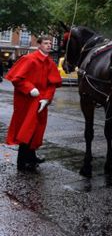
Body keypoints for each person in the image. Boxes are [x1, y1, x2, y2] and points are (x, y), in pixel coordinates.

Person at [5, 35, 62, 172]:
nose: (49, 45)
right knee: (27, 128)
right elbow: (17, 79)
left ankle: (31, 156)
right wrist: (30, 89)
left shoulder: (49, 63)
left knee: (37, 129)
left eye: (50, 43)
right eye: (46, 43)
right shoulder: (28, 59)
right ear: (39, 45)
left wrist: (47, 98)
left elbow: (52, 84)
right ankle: (22, 161)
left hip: (41, 100)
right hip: (27, 100)